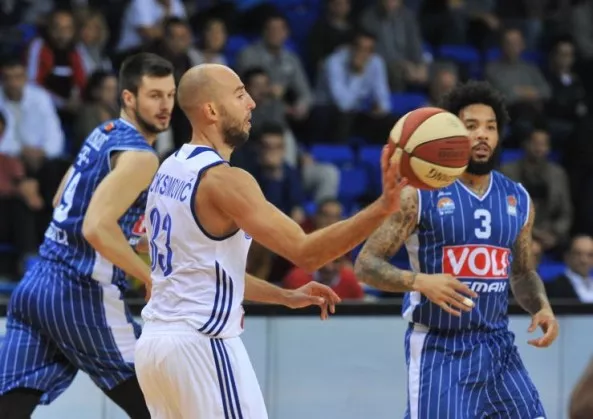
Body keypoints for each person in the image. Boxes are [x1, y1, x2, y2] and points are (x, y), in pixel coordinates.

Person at [133, 63, 407, 419]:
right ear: (211, 110)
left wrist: (284, 296)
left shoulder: (168, 168)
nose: (251, 103)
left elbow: (198, 269)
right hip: (202, 345)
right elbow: (308, 253)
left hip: (155, 348)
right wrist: (383, 208)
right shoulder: (225, 180)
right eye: (239, 95)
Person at [354, 81, 559, 419]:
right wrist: (419, 281)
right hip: (440, 348)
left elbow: (523, 273)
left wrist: (542, 307)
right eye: (471, 126)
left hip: (498, 347)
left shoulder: (518, 198)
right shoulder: (417, 194)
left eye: (490, 127)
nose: (482, 135)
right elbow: (365, 265)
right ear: (449, 134)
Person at [0, 52, 176, 418]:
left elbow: (61, 199)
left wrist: (130, 238)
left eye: (170, 95)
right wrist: (151, 277)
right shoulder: (142, 157)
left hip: (36, 287)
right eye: (154, 95)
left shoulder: (104, 132)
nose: (165, 106)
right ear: (129, 98)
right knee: (166, 404)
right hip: (82, 292)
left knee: (10, 406)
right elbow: (95, 227)